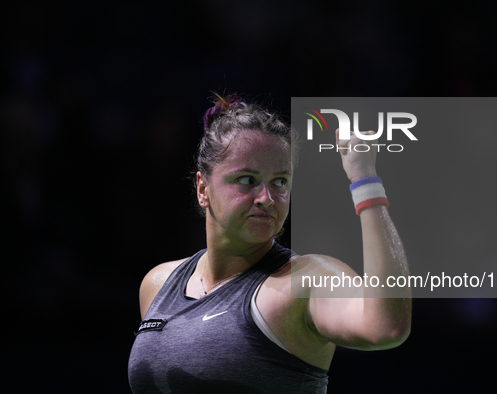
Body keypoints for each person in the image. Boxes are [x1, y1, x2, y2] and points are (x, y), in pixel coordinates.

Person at [128, 94, 412, 393]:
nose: (266, 198)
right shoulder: (159, 284)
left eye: (280, 182)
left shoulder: (306, 280)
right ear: (203, 188)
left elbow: (386, 328)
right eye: (247, 180)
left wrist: (364, 179)